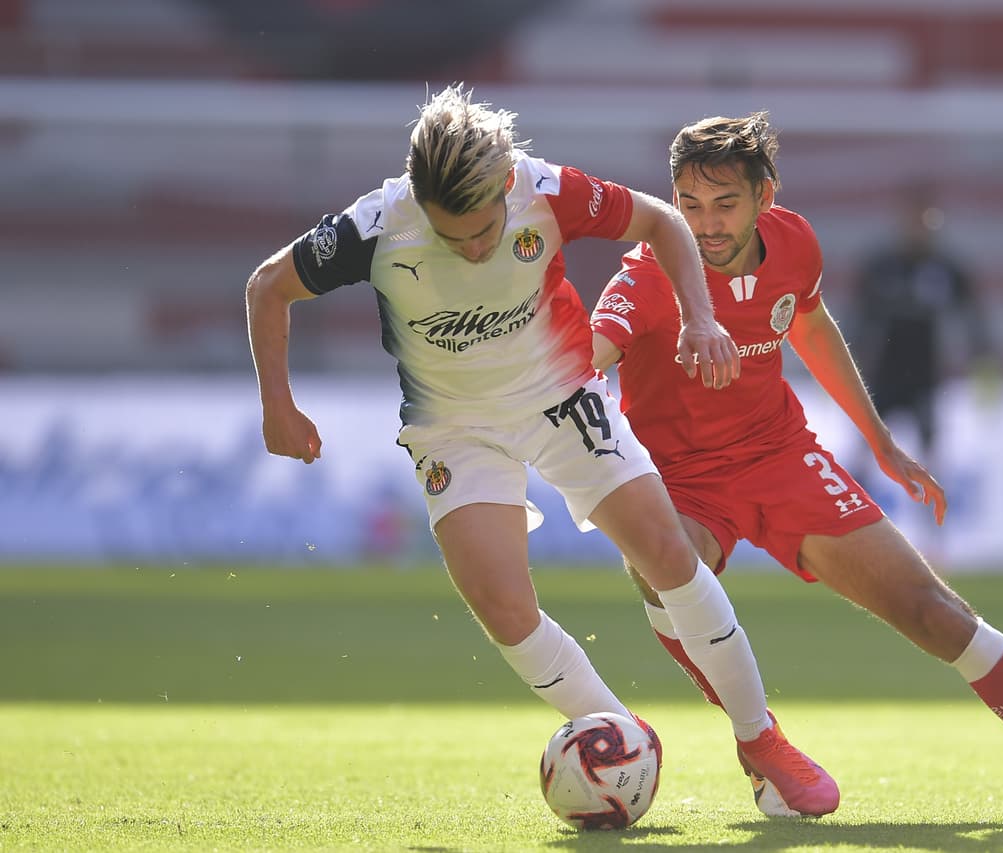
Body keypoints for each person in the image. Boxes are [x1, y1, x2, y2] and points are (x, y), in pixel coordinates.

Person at [244, 85, 837, 816]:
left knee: (667, 553)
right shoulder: (377, 223)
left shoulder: (548, 189)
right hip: (453, 427)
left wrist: (698, 317)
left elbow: (660, 222)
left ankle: (760, 741)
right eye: (450, 235)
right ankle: (620, 734)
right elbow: (269, 285)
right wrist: (278, 404)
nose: (472, 247)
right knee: (501, 605)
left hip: (561, 398)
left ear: (504, 186)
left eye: (484, 229)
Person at [590, 112, 1003, 821]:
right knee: (662, 566)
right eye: (689, 205)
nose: (706, 225)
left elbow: (807, 322)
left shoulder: (795, 243)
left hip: (782, 458)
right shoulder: (648, 276)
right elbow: (588, 358)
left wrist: (876, 439)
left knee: (937, 614)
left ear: (766, 198)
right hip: (685, 483)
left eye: (725, 204)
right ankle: (762, 742)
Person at [849, 182, 1001, 467]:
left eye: (924, 217)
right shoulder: (880, 267)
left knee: (931, 460)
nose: (917, 225)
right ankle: (850, 509)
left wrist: (985, 369)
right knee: (863, 454)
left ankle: (932, 511)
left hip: (927, 380)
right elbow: (857, 321)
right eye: (911, 217)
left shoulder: (947, 268)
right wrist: (840, 366)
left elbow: (973, 322)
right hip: (882, 378)